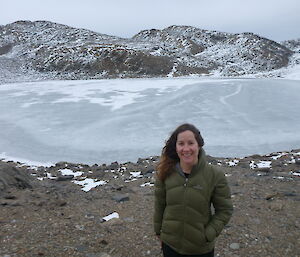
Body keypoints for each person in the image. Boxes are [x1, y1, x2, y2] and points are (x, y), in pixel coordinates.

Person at [154, 123, 233, 257]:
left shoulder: (214, 175)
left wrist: (208, 234)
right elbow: (160, 204)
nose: (186, 149)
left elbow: (225, 210)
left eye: (190, 143)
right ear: (176, 146)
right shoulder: (166, 172)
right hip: (170, 245)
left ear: (199, 145)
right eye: (181, 144)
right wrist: (159, 231)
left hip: (200, 249)